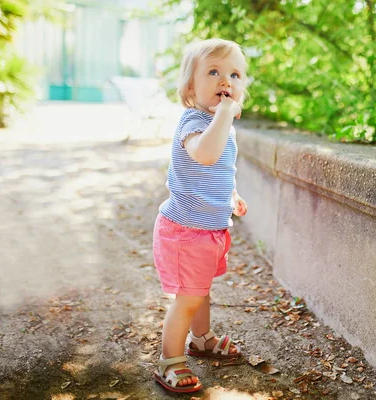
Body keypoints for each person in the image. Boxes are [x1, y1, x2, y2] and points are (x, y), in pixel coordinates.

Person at [151, 38, 248, 393]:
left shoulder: (221, 126)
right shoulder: (193, 121)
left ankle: (201, 339)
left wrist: (232, 196)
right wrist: (223, 115)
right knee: (188, 297)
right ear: (191, 86)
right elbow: (204, 155)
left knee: (201, 290)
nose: (226, 81)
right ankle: (170, 359)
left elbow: (218, 170)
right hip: (184, 231)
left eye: (235, 74)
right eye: (214, 72)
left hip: (210, 228)